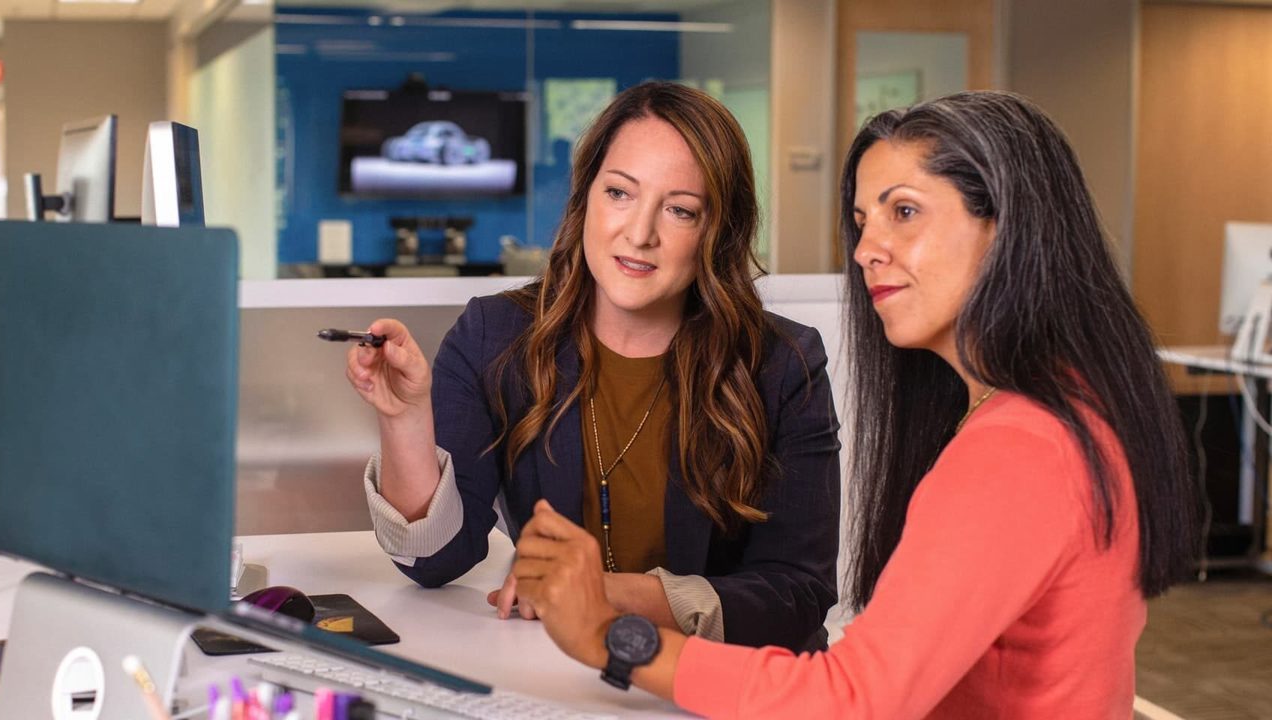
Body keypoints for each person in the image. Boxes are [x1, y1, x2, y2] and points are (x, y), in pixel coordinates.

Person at [509, 90, 1202, 717]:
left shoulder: (1021, 446)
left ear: (1007, 227)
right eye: (863, 221)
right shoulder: (1070, 406)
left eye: (904, 213)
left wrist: (611, 640)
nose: (868, 249)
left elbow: (855, 700)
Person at [344, 81, 841, 652]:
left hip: (721, 687)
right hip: (559, 677)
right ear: (586, 198)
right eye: (620, 194)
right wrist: (406, 418)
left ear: (716, 232)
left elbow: (797, 594)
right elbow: (435, 560)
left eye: (680, 210)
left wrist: (604, 593)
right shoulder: (496, 336)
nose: (639, 233)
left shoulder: (783, 364)